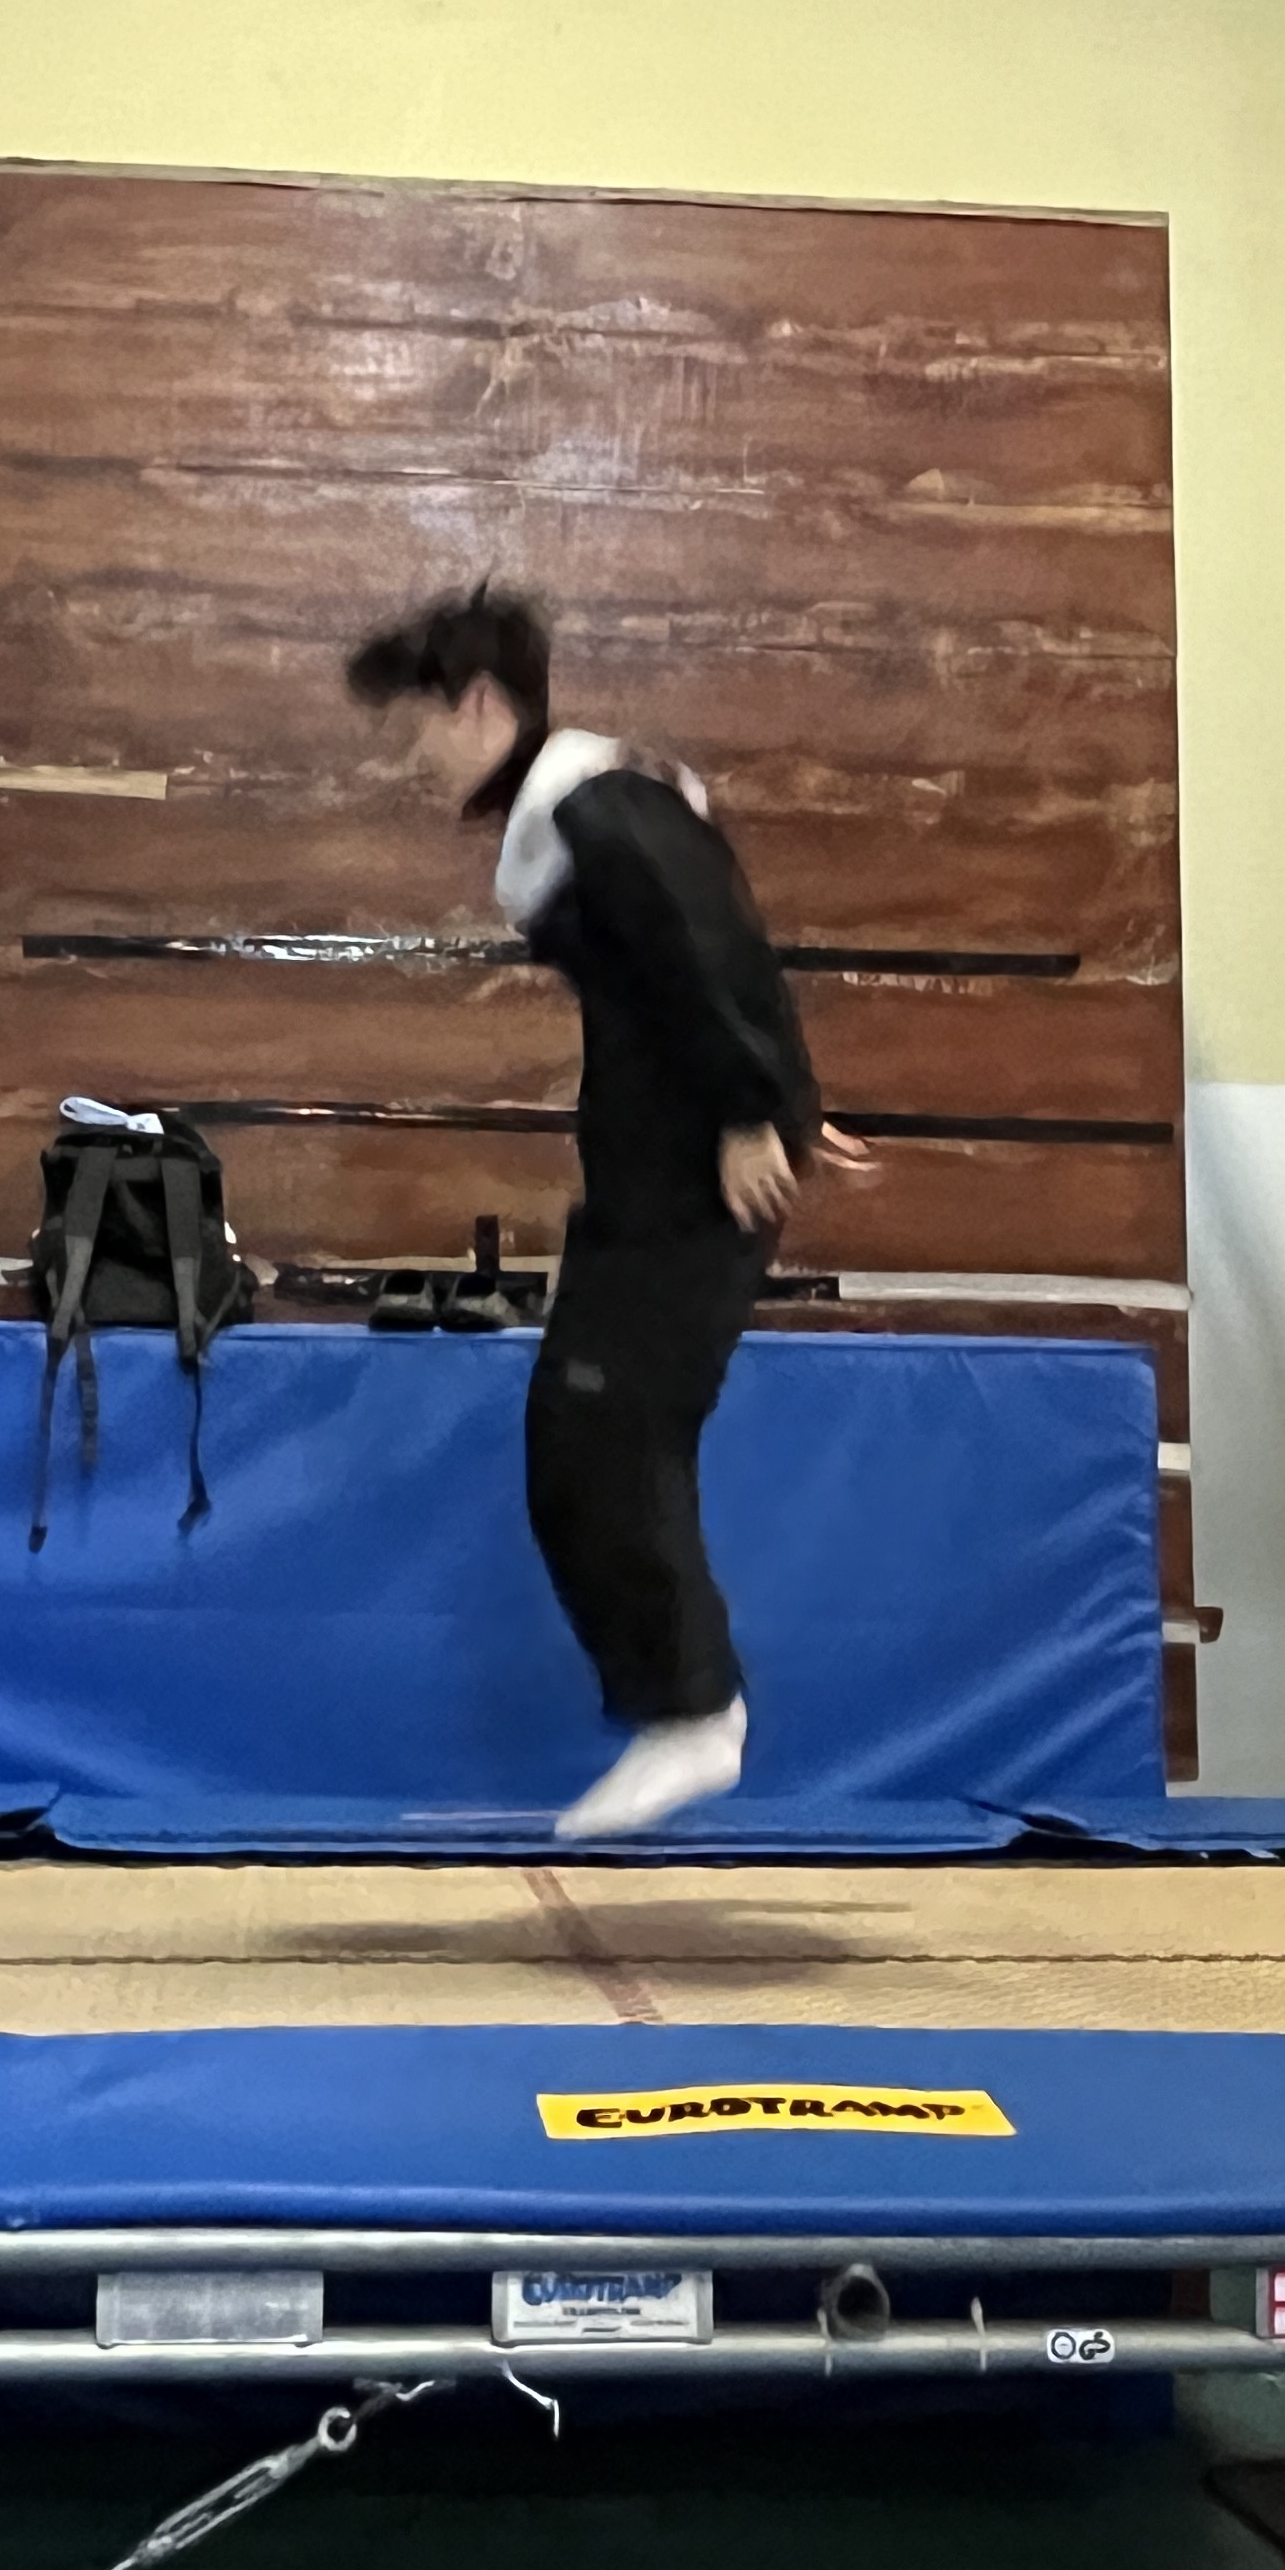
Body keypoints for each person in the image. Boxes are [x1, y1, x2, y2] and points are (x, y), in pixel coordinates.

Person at [345, 588, 871, 1837]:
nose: (408, 760)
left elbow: (706, 937)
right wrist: (781, 1103)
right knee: (582, 1441)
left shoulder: (596, 805)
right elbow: (698, 958)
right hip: (660, 1170)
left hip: (693, 1178)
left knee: (606, 1439)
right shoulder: (583, 811)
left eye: (415, 729)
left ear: (480, 705)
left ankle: (693, 1717)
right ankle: (680, 1711)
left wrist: (755, 1111)